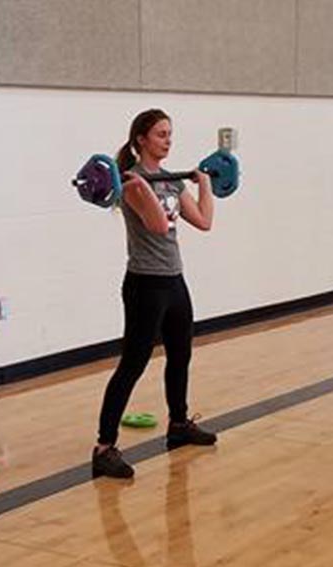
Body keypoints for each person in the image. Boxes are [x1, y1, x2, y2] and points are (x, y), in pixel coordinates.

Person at [92, 108, 219, 480]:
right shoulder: (131, 184)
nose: (168, 140)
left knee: (181, 354)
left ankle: (178, 424)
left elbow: (204, 222)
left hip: (175, 281)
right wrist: (144, 185)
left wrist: (205, 184)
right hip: (145, 284)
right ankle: (103, 447)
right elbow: (159, 226)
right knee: (133, 363)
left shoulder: (171, 181)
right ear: (141, 139)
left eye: (170, 134)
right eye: (161, 134)